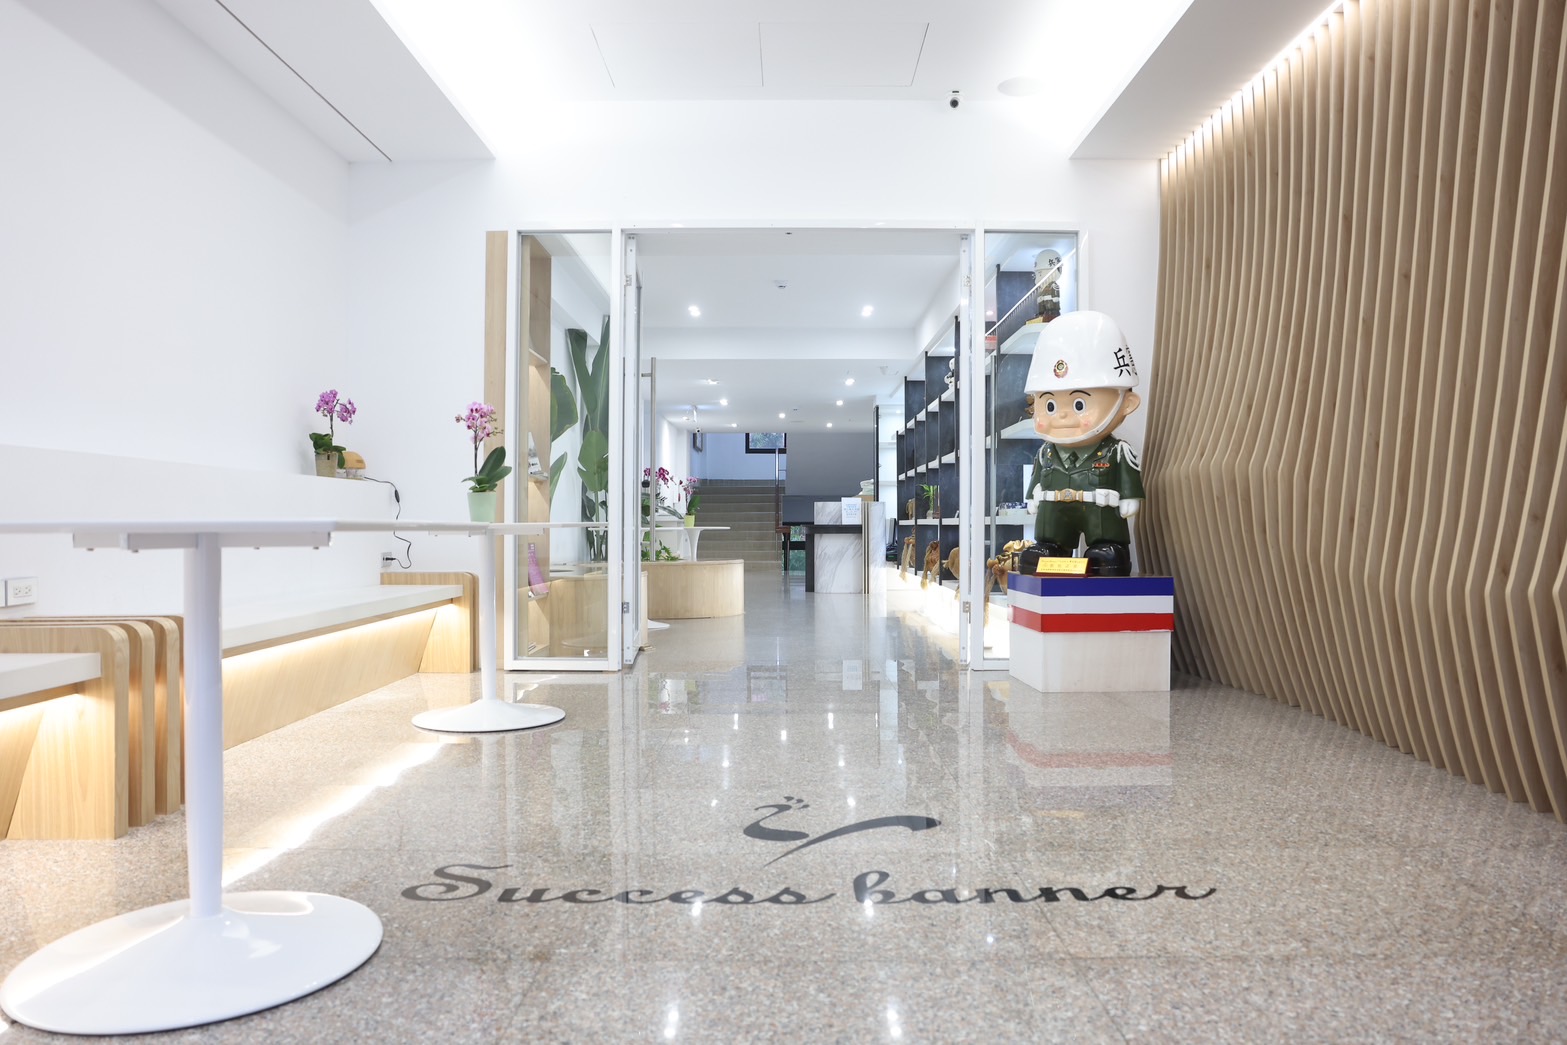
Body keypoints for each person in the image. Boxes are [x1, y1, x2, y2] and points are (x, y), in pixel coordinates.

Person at [1017, 311, 1144, 577]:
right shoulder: (1046, 453)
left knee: (1106, 545)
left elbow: (1128, 477)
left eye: (1078, 404)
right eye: (1049, 406)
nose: (1062, 416)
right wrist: (1032, 497)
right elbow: (1038, 478)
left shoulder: (1115, 451)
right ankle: (1051, 547)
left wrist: (1130, 496)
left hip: (1101, 511)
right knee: (1049, 536)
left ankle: (1108, 549)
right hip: (1054, 511)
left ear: (1126, 403)